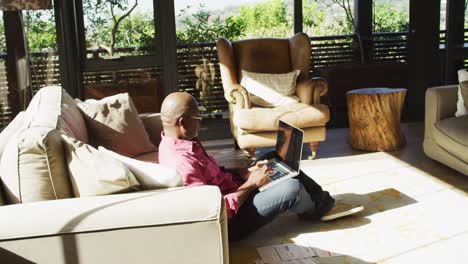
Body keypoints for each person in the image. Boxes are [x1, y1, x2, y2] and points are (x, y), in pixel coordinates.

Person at [158, 92, 363, 240]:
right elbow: (212, 212)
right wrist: (251, 185)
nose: (201, 124)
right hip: (231, 222)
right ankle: (316, 208)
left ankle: (322, 202)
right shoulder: (182, 163)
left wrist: (245, 172)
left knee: (274, 158)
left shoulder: (184, 142)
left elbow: (215, 174)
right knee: (291, 188)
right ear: (183, 122)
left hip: (234, 191)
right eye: (197, 119)